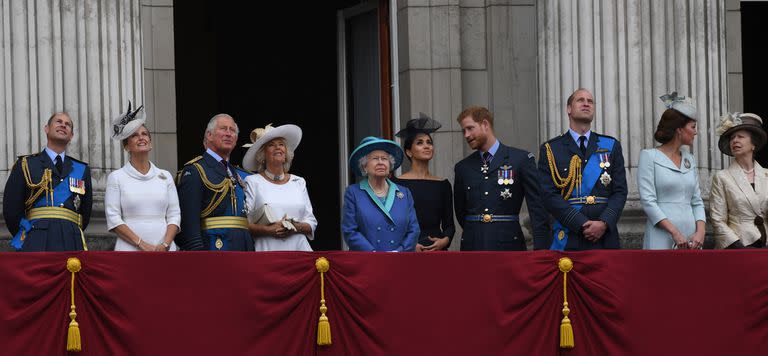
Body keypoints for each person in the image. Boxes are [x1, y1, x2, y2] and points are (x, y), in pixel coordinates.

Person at [538, 89, 628, 250]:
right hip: (569, 234)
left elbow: (620, 191)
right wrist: (580, 223)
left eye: (590, 101)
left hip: (604, 237)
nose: (586, 103)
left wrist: (604, 223)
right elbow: (548, 194)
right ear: (569, 109)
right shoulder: (551, 149)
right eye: (580, 100)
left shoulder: (611, 145)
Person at [454, 106, 548, 251]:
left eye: (470, 128)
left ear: (485, 124)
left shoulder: (520, 159)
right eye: (463, 131)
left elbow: (537, 208)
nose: (466, 135)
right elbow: (461, 212)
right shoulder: (463, 167)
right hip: (473, 245)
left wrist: (541, 249)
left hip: (508, 244)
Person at [3, 112, 92, 251]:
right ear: (46, 129)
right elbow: (12, 210)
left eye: (68, 124)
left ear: (71, 136)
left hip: (71, 239)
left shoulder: (82, 169)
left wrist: (71, 230)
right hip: (36, 239)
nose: (63, 125)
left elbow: (85, 212)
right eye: (58, 121)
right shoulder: (26, 164)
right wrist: (28, 236)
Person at [105, 103, 180, 251]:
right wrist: (141, 244)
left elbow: (174, 214)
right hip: (129, 250)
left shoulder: (164, 176)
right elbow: (113, 218)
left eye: (144, 134)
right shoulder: (116, 177)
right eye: (134, 135)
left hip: (164, 251)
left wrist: (165, 244)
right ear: (126, 146)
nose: (141, 138)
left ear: (150, 143)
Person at [637, 92, 706, 250]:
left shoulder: (689, 159)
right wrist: (674, 232)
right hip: (662, 234)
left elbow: (696, 201)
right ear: (679, 130)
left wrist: (700, 233)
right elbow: (648, 201)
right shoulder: (649, 156)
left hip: (691, 237)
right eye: (693, 127)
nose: (696, 132)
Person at [175, 114, 253, 251]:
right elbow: (188, 222)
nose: (229, 134)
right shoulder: (196, 170)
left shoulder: (240, 174)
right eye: (223, 129)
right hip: (213, 247)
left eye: (232, 130)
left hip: (243, 248)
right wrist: (198, 254)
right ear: (209, 135)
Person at [241, 124, 317, 251]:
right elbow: (245, 224)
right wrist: (268, 230)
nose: (277, 147)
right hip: (267, 252)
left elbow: (311, 223)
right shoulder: (252, 181)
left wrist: (294, 227)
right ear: (262, 155)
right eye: (271, 145)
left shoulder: (298, 182)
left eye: (281, 144)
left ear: (286, 153)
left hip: (300, 252)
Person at [342, 136, 419, 251]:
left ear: (390, 165)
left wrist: (399, 251)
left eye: (384, 158)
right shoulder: (353, 193)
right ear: (364, 166)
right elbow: (350, 231)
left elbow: (414, 230)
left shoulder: (404, 193)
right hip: (367, 261)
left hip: (399, 260)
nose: (380, 162)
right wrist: (374, 254)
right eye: (375, 158)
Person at [392, 114, 455, 251]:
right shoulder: (396, 184)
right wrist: (409, 245)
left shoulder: (443, 184)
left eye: (429, 142)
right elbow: (392, 223)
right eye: (420, 143)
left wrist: (445, 240)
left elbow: (449, 225)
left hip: (437, 251)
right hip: (408, 251)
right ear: (409, 152)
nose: (426, 146)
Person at [710, 112, 768, 249]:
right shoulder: (722, 177)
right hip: (738, 246)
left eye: (740, 137)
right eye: (732, 138)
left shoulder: (767, 174)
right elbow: (717, 219)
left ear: (753, 145)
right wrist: (738, 246)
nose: (735, 140)